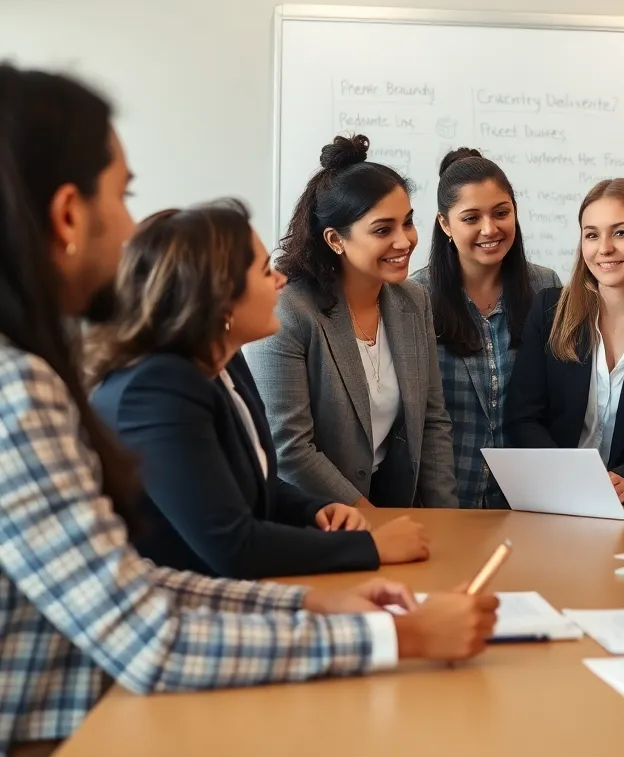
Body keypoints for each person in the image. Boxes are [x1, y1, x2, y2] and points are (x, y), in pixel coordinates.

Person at [0, 64, 496, 757]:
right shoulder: (19, 392)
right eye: (124, 193)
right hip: (63, 737)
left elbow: (130, 582)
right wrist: (399, 638)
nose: (133, 225)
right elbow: (154, 643)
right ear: (68, 216)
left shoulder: (44, 374)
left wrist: (308, 607)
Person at [90, 201, 430, 579]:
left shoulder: (223, 360)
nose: (280, 281)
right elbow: (232, 546)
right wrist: (371, 547)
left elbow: (248, 486)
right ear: (220, 296)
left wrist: (311, 509)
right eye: (265, 270)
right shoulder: (155, 391)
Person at [244, 134, 458, 509]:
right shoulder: (289, 312)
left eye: (407, 223)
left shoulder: (413, 299)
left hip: (391, 508)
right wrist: (370, 520)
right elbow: (289, 447)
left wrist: (446, 522)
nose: (404, 241)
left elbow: (432, 420)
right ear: (335, 240)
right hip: (309, 518)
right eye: (382, 230)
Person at [504, 179, 624, 511]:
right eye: (592, 234)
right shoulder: (550, 310)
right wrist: (570, 478)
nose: (604, 248)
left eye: (621, 233)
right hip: (548, 502)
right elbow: (522, 418)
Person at [412, 148, 560, 509]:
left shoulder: (546, 286)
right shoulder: (415, 298)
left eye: (501, 213)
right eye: (471, 217)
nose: (490, 229)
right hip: (442, 499)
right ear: (445, 224)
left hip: (527, 501)